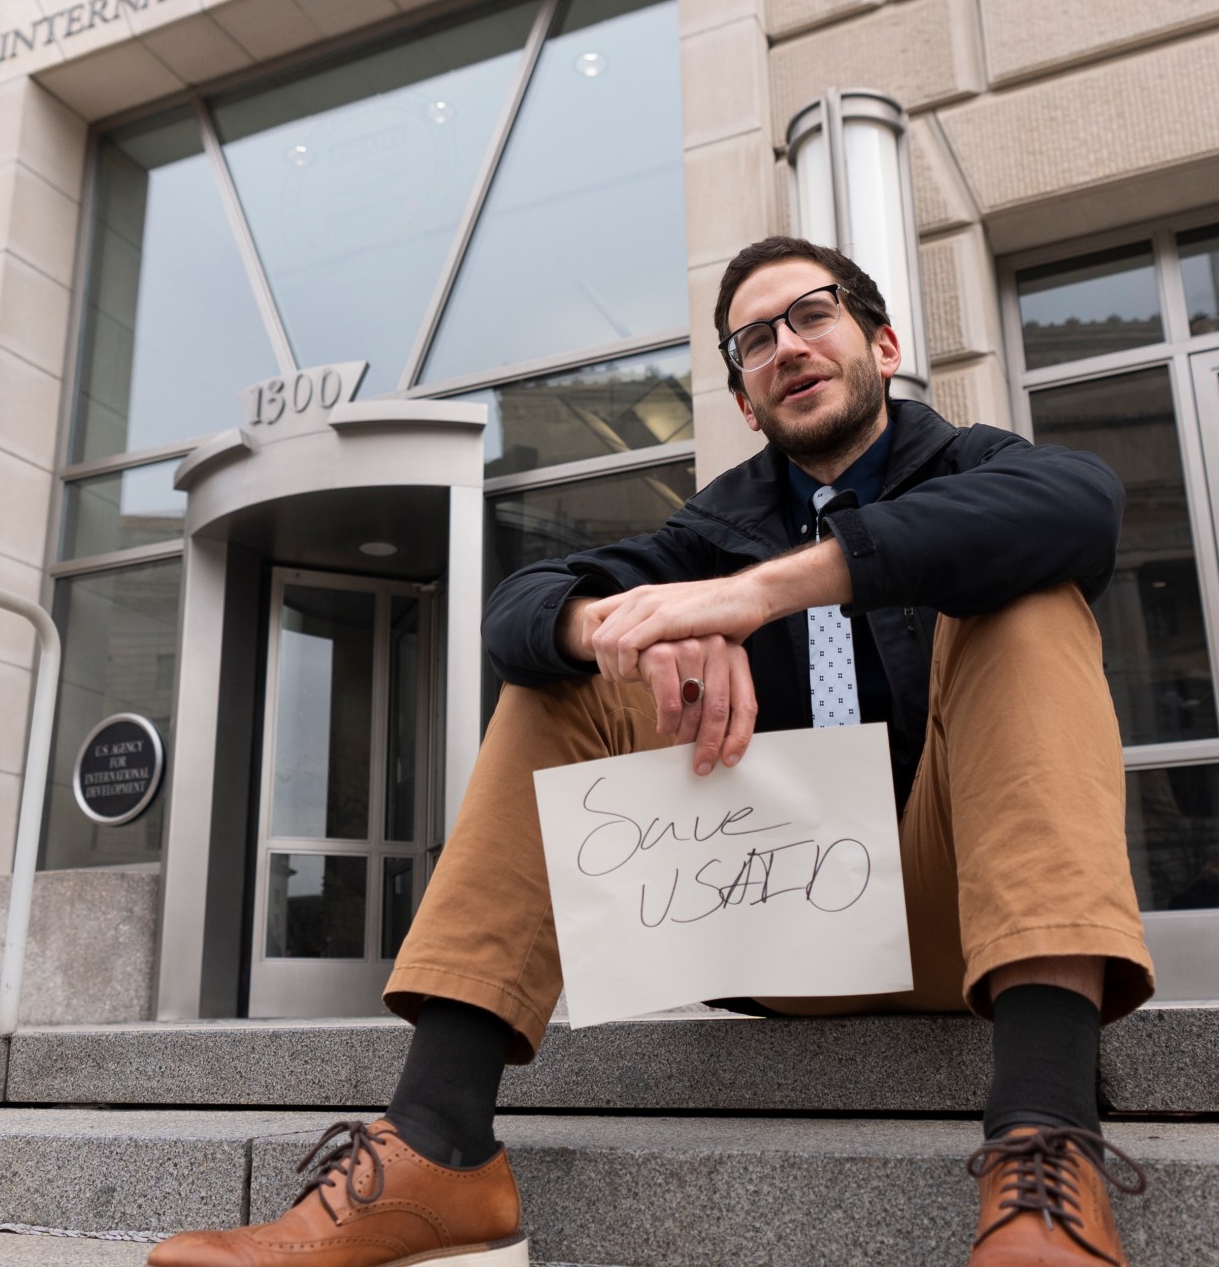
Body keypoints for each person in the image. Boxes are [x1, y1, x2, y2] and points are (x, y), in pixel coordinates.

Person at [151, 237, 1154, 1267]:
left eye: (811, 316)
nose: (785, 348)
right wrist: (622, 635)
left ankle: (1044, 1148)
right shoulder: (712, 527)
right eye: (754, 341)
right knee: (564, 668)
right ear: (744, 402)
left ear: (882, 344)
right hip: (785, 917)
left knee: (1025, 598)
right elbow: (518, 612)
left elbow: (1082, 509)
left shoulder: (977, 464)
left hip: (964, 917)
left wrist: (763, 593)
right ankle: (438, 1144)